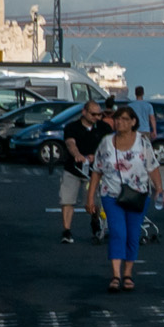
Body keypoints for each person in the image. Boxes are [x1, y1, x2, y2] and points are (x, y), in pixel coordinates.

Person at [87, 103, 163, 293]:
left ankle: (128, 273)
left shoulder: (142, 142)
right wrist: (90, 198)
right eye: (117, 119)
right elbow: (96, 170)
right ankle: (116, 275)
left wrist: (159, 188)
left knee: (132, 233)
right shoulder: (106, 142)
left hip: (137, 194)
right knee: (118, 232)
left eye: (124, 119)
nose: (119, 122)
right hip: (111, 193)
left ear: (133, 122)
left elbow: (152, 166)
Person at [57, 102, 114, 244]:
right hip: (73, 169)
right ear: (84, 112)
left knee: (94, 200)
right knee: (67, 200)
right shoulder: (72, 127)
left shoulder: (104, 128)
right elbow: (70, 143)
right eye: (93, 114)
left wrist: (98, 156)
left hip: (95, 171)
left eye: (99, 114)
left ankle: (95, 223)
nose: (97, 117)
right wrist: (77, 154)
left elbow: (110, 146)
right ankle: (66, 230)